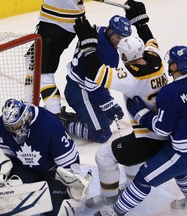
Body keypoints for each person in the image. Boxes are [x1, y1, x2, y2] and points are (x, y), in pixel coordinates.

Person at [72, 0, 170, 208]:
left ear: (126, 56)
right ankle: (132, 184)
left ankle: (110, 198)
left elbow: (98, 74)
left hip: (150, 137)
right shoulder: (158, 59)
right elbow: (150, 38)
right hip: (165, 130)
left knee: (105, 156)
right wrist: (141, 22)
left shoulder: (132, 79)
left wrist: (89, 46)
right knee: (129, 153)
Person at [94, 45, 187, 216]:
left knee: (144, 179)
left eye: (172, 63)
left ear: (176, 66)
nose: (169, 66)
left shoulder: (170, 92)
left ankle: (116, 212)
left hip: (182, 153)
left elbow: (162, 129)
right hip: (180, 148)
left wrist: (141, 113)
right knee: (181, 173)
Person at [0, 98, 92, 215]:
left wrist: (72, 179)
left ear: (25, 116)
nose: (13, 130)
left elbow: (69, 161)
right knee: (5, 203)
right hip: (25, 169)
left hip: (52, 172)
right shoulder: (2, 125)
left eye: (17, 125)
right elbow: (7, 156)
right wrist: (3, 170)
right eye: (10, 127)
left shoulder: (50, 125)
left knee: (56, 212)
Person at [63, 15, 131, 143]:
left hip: (80, 86)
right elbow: (92, 84)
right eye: (118, 37)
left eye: (123, 38)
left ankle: (81, 117)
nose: (120, 41)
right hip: (79, 91)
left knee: (107, 120)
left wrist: (107, 102)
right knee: (102, 134)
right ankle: (63, 121)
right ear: (110, 31)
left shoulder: (98, 30)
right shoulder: (109, 53)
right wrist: (108, 102)